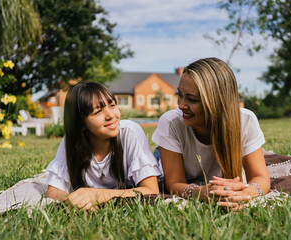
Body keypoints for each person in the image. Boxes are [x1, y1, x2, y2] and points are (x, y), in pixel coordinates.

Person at [152, 57, 270, 211]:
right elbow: (174, 184)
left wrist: (246, 194)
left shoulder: (246, 120)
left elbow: (261, 178)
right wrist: (200, 192)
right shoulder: (170, 122)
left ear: (216, 102)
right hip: (166, 155)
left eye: (191, 99)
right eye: (180, 94)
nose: (181, 105)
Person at [46, 81, 161, 211]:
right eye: (98, 112)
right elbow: (53, 192)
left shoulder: (130, 132)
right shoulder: (72, 142)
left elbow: (152, 191)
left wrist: (97, 195)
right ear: (81, 123)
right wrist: (78, 203)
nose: (111, 115)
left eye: (112, 105)